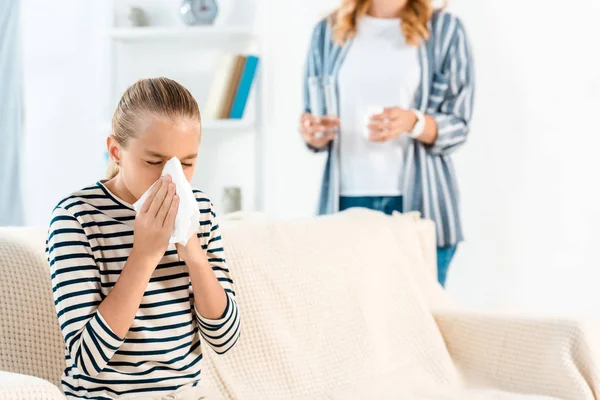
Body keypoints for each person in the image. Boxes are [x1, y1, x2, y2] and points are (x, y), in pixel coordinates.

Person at [46, 78, 240, 399]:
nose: (172, 177)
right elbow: (87, 359)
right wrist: (144, 255)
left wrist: (193, 252)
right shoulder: (76, 217)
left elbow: (225, 338)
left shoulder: (200, 209)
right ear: (116, 151)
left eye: (187, 163)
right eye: (154, 162)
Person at [298, 0, 474, 286]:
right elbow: (313, 116)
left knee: (422, 323)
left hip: (420, 204)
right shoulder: (327, 32)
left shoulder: (444, 30)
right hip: (344, 202)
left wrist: (413, 122)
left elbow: (458, 125)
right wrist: (313, 131)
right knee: (349, 318)